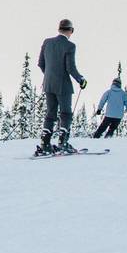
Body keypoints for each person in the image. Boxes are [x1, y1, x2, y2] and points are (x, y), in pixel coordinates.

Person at [35, 19, 87, 155]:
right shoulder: (70, 46)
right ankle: (63, 142)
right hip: (63, 85)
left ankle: (45, 143)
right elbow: (70, 68)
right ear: (70, 31)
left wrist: (49, 75)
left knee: (50, 114)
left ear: (59, 29)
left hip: (48, 84)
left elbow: (40, 63)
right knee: (65, 114)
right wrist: (80, 79)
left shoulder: (47, 42)